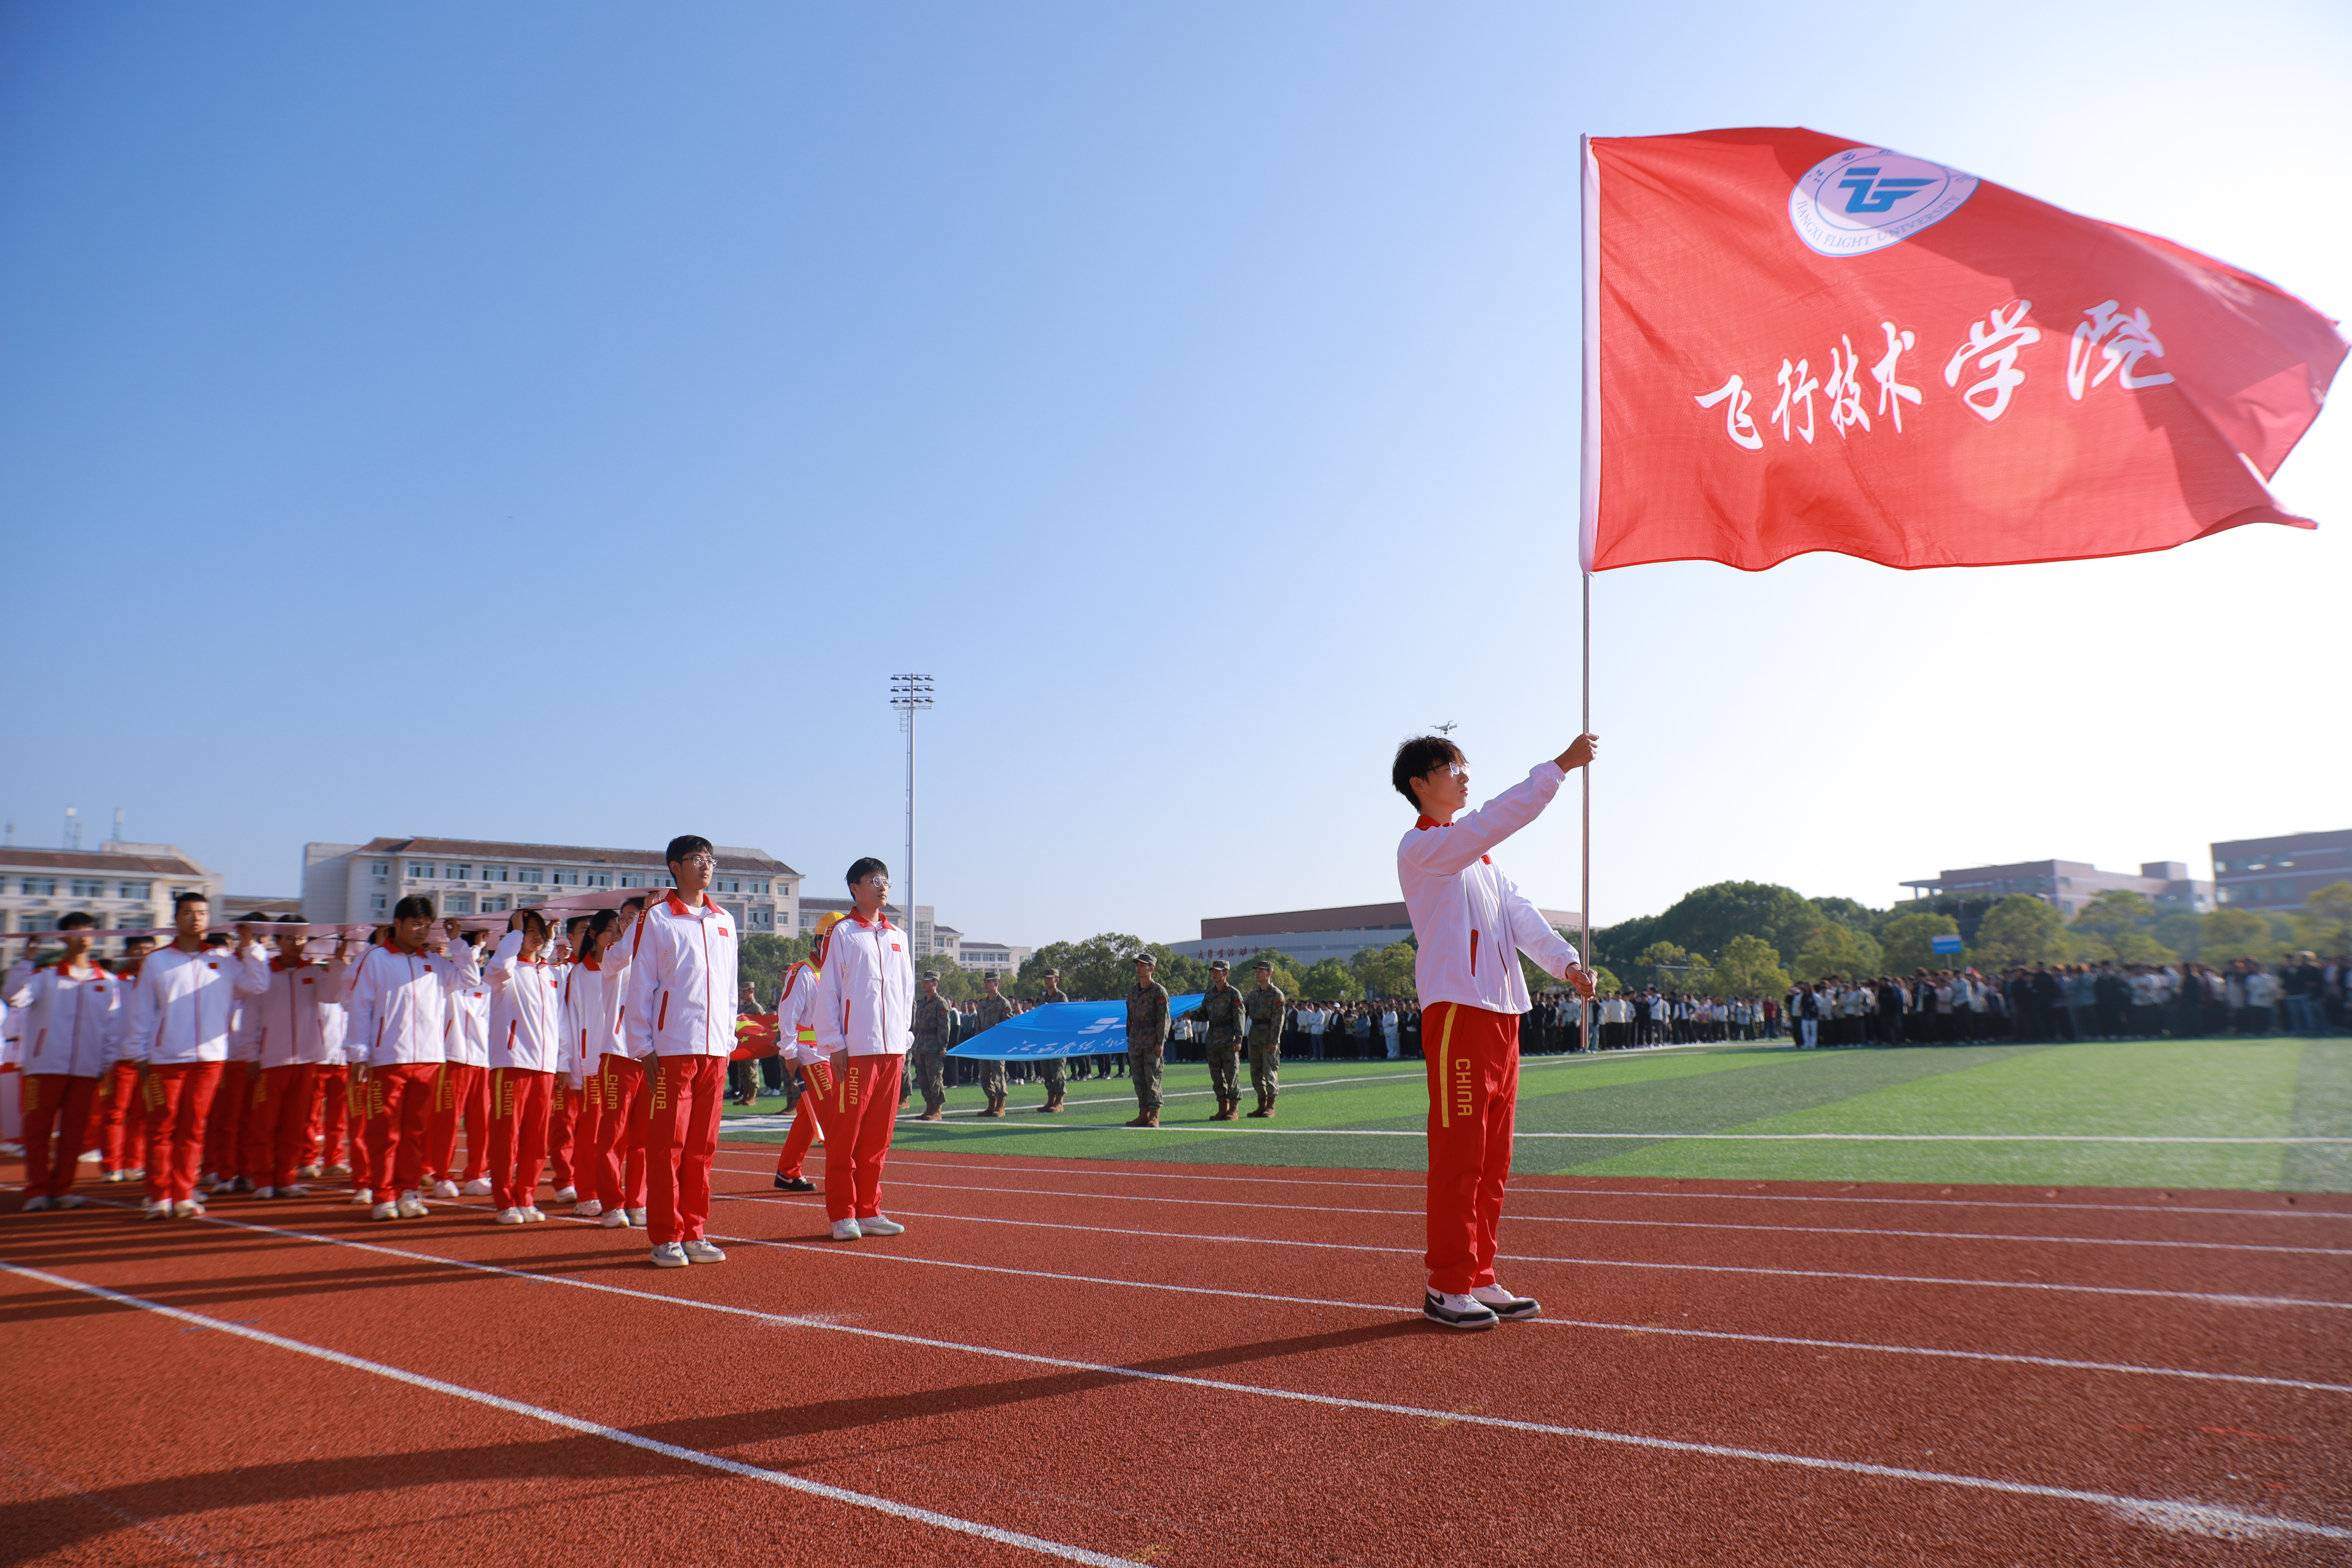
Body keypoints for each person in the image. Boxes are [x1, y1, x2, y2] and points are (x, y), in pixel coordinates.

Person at [1394, 730, 1599, 1331]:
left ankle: (1480, 1273)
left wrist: (1565, 963)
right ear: (1419, 784)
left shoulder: (1482, 861)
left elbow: (1523, 920)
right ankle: (1447, 1284)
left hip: (1504, 1015)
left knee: (1493, 1159)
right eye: (1450, 768)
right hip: (1459, 1011)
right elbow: (1490, 821)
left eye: (1463, 767)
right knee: (1461, 1154)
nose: (1463, 777)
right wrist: (1558, 769)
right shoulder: (1426, 848)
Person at [623, 836, 738, 1268]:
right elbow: (642, 986)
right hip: (673, 1049)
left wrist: (727, 1041)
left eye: (710, 859)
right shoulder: (658, 919)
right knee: (667, 1144)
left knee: (703, 1146)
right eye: (696, 859)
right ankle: (666, 1236)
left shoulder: (724, 920)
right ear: (675, 866)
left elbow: (729, 989)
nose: (706, 865)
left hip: (714, 1050)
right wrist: (643, 1046)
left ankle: (695, 1230)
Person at [119, 895, 271, 1219]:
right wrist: (139, 1054)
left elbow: (258, 985)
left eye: (201, 913)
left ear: (209, 919)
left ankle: (184, 1193)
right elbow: (141, 1011)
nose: (195, 918)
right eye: (188, 913)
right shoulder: (157, 961)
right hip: (166, 1058)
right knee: (162, 1128)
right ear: (176, 918)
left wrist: (252, 948)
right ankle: (159, 1195)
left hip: (210, 1059)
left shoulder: (224, 959)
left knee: (193, 1128)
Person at [342, 899, 478, 1221]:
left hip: (429, 1059)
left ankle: (408, 1192)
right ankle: (383, 1196)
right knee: (384, 1133)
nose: (421, 931)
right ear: (398, 924)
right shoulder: (375, 960)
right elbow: (361, 1006)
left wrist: (458, 942)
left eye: (427, 925)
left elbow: (471, 979)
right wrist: (359, 1054)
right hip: (388, 1059)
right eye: (415, 924)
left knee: (416, 1133)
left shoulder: (434, 962)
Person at [807, 856, 913, 1241]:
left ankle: (870, 1209)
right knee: (845, 1137)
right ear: (855, 887)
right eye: (874, 879)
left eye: (885, 879)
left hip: (891, 1052)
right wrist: (834, 1043)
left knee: (877, 1138)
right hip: (856, 1052)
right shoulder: (844, 933)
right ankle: (842, 1213)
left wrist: (904, 1040)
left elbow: (907, 993)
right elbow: (830, 991)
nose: (882, 885)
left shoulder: (898, 936)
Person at [4, 912, 122, 1210]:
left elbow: (112, 1028)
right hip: (45, 1067)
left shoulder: (107, 982)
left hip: (86, 1069)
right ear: (63, 938)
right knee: (38, 1132)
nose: (83, 938)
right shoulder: (44, 977)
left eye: (89, 933)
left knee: (74, 1135)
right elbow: (14, 997)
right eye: (76, 932)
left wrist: (104, 1065)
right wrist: (26, 960)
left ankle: (63, 1189)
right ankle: (38, 1191)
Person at [237, 918, 354, 1199]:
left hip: (306, 1060)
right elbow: (251, 1017)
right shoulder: (264, 975)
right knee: (265, 1124)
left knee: (295, 1123)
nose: (296, 944)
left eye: (301, 938)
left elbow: (332, 996)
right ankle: (263, 1179)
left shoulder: (313, 974)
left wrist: (338, 963)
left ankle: (286, 1178)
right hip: (271, 1061)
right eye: (290, 938)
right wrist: (251, 1055)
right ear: (278, 941)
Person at [583, 898, 651, 1228]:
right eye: (623, 917)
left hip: (649, 1057)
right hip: (618, 1055)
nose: (626, 922)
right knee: (612, 1135)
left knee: (642, 1139)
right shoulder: (615, 954)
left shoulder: (655, 955)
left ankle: (638, 1201)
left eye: (632, 917)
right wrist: (643, 919)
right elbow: (626, 951)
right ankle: (612, 1203)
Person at [769, 912, 840, 1190]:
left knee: (808, 1116)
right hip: (810, 1053)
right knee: (831, 1111)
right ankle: (841, 1177)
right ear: (819, 940)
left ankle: (787, 1171)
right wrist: (789, 1052)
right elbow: (787, 1014)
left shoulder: (839, 972)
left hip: (832, 1052)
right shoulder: (804, 972)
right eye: (831, 940)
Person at [428, 929, 493, 1199]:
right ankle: (441, 1176)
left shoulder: (488, 986)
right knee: (447, 1122)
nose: (477, 959)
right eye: (473, 953)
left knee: (483, 1123)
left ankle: (477, 1174)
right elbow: (465, 971)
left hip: (483, 1061)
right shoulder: (445, 980)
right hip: (452, 1058)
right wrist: (466, 946)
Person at [1189, 960, 1247, 1121]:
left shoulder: (1234, 994)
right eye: (1213, 971)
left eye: (1218, 971)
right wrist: (1191, 1015)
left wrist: (1239, 1039)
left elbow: (1240, 1017)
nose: (1214, 974)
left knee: (1232, 1074)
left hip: (1229, 1039)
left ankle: (1234, 1109)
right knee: (1216, 1076)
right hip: (1213, 1039)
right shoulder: (1209, 994)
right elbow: (1204, 1015)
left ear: (1226, 973)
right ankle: (1223, 1108)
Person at [1123, 953, 1170, 1128]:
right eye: (1137, 965)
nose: (1138, 968)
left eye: (1143, 965)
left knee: (1153, 1078)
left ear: (1152, 969)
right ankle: (1143, 1114)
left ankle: (1154, 1115)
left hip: (1152, 1041)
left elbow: (1164, 1019)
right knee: (1139, 1079)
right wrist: (1130, 1038)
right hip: (1136, 1040)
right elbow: (1130, 1017)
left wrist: (1161, 1042)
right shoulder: (1133, 991)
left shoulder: (1159, 991)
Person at [1243, 958, 1286, 1118]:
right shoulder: (1253, 995)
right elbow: (1242, 1011)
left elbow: (1278, 1020)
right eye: (1257, 971)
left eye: (1261, 971)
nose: (1257, 973)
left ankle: (1271, 1106)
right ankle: (1261, 1105)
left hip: (1269, 1037)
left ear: (1269, 974)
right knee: (1256, 1073)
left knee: (1270, 1072)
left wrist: (1274, 1041)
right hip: (1254, 1037)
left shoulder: (1277, 995)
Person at [970, 972, 1017, 1116]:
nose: (986, 984)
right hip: (984, 1045)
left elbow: (1009, 1025)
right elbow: (978, 1025)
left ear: (997, 984)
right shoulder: (982, 1004)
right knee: (984, 1076)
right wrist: (977, 1042)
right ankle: (992, 1103)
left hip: (997, 1045)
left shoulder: (1004, 1003)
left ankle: (1001, 1105)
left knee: (998, 1074)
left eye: (989, 982)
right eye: (985, 982)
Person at [911, 969, 953, 1120]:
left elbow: (944, 1027)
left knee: (935, 1078)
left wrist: (943, 1046)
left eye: (927, 981)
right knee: (923, 1079)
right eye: (923, 981)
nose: (924, 983)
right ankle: (929, 1106)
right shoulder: (922, 1003)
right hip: (921, 1046)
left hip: (934, 1047)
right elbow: (916, 1026)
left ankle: (937, 1109)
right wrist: (915, 1046)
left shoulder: (940, 1003)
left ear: (935, 984)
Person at [1031, 968, 1071, 1110]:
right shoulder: (1042, 999)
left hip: (1057, 1040)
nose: (1047, 980)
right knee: (1046, 1071)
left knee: (1058, 1071)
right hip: (1044, 1040)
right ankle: (1051, 1099)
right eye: (1045, 978)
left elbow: (1065, 1018)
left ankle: (1060, 1101)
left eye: (1050, 978)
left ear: (1057, 980)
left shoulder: (1061, 997)